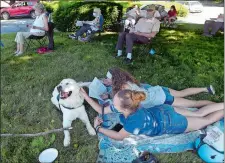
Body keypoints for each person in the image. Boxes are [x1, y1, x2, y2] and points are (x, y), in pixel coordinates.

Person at [80, 88, 224, 141]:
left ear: (123, 109)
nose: (111, 104)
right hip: (165, 110)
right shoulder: (135, 102)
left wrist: (98, 128)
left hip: (171, 123)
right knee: (200, 113)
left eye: (114, 104)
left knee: (206, 120)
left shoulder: (133, 123)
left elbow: (118, 136)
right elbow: (106, 108)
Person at [101, 67, 215, 108]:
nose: (106, 80)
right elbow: (116, 91)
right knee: (181, 93)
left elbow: (123, 101)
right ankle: (206, 89)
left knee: (194, 104)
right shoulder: (125, 79)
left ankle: (217, 106)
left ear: (114, 80)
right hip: (158, 90)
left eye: (108, 79)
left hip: (162, 98)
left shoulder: (123, 87)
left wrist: (109, 97)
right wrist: (109, 94)